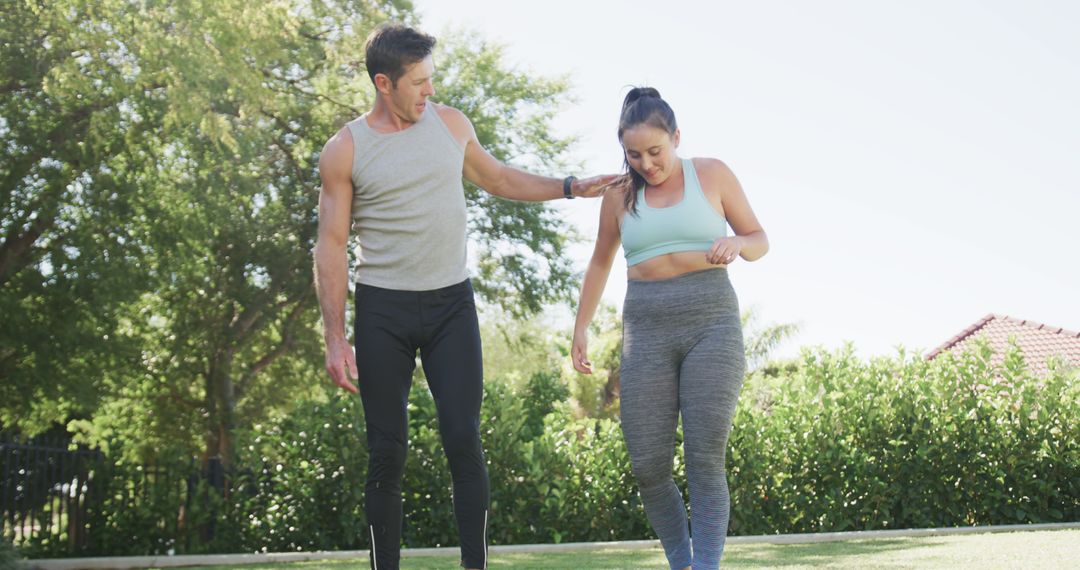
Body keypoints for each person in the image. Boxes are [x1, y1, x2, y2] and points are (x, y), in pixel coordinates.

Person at [313, 23, 614, 570]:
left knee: (462, 438)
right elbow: (330, 247)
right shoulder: (345, 150)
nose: (430, 91)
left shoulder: (450, 124)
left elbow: (498, 178)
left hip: (451, 304)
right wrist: (336, 339)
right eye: (418, 82)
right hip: (383, 309)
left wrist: (570, 186)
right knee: (387, 452)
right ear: (385, 83)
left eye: (432, 78)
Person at [571, 87, 769, 570]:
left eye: (655, 151)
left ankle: (705, 567)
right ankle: (682, 561)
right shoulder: (619, 195)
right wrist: (580, 328)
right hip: (646, 326)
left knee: (705, 457)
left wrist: (736, 243)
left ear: (676, 137)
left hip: (711, 321)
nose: (646, 164)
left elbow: (760, 240)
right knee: (647, 465)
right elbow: (600, 262)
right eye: (633, 155)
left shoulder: (712, 174)